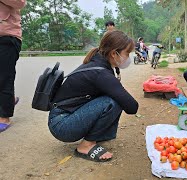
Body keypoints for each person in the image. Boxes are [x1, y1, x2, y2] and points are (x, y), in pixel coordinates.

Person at [48, 30, 139, 162]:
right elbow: (132, 107)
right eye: (127, 53)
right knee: (113, 101)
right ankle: (86, 146)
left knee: (113, 97)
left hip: (63, 117)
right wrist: (116, 91)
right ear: (114, 53)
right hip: (62, 125)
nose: (128, 58)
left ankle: (98, 136)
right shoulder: (101, 73)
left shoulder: (98, 61)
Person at [0, 0, 26, 133]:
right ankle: (9, 100)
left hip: (6, 37)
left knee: (4, 77)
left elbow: (21, 3)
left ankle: (4, 116)